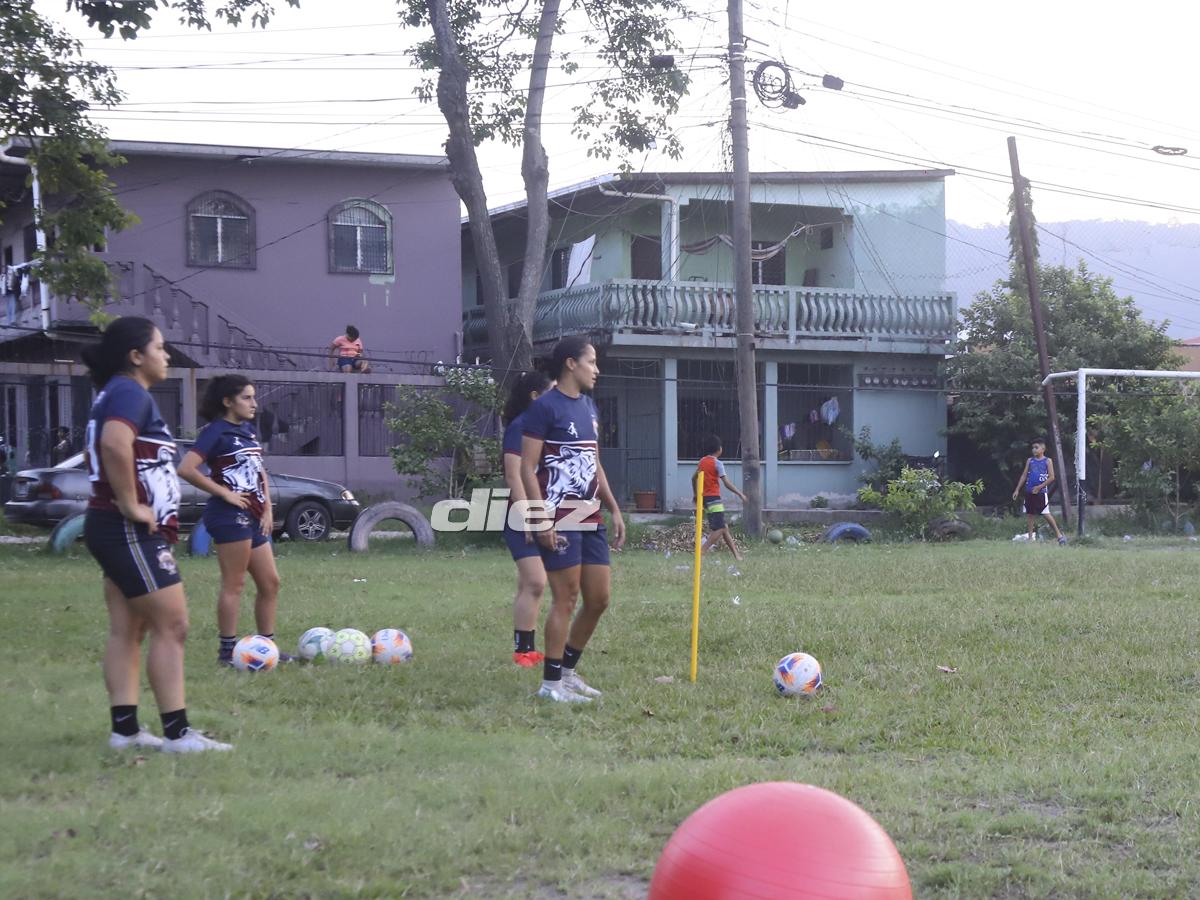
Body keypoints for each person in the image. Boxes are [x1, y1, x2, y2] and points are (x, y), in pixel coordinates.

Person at [81, 316, 232, 753]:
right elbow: (114, 443)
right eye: (160, 348)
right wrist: (130, 504)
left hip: (114, 528)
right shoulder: (129, 390)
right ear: (136, 356)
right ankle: (178, 734)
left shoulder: (117, 392)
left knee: (129, 629)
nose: (165, 355)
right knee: (174, 623)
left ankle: (125, 731)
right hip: (126, 528)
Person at [520, 336, 626, 703]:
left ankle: (567, 673)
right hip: (557, 512)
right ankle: (550, 686)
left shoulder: (590, 408)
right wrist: (540, 520)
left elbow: (593, 462)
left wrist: (612, 506)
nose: (596, 369)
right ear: (570, 364)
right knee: (565, 597)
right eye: (591, 362)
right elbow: (527, 467)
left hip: (588, 512)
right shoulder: (544, 408)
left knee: (598, 599)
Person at [178, 375, 288, 666]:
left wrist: (267, 509)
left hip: (254, 515)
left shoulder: (249, 431)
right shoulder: (216, 432)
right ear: (228, 402)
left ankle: (267, 648)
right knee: (235, 584)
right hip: (228, 516)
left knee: (271, 583)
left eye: (254, 397)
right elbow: (186, 469)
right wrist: (224, 494)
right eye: (247, 398)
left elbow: (259, 471)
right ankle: (227, 653)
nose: (255, 403)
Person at [501, 369, 554, 668]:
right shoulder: (520, 427)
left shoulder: (542, 429)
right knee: (536, 582)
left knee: (529, 584)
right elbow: (514, 475)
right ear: (535, 396)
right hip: (520, 516)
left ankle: (527, 650)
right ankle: (523, 652)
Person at [692, 434, 747, 561]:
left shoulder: (702, 462)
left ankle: (736, 555)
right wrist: (740, 494)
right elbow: (726, 483)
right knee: (720, 528)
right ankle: (702, 551)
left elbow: (693, 478)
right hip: (714, 499)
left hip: (705, 499)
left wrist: (695, 494)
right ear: (719, 449)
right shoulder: (718, 464)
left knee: (724, 528)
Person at [1012, 438, 1066, 545]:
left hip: (1041, 492)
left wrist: (1039, 487)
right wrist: (1017, 489)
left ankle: (1059, 536)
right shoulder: (1030, 461)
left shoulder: (1047, 461)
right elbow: (1024, 475)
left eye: (1036, 447)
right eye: (1033, 448)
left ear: (1043, 448)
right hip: (1029, 491)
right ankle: (1031, 538)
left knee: (1046, 513)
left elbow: (1051, 477)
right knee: (1030, 514)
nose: (1034, 450)